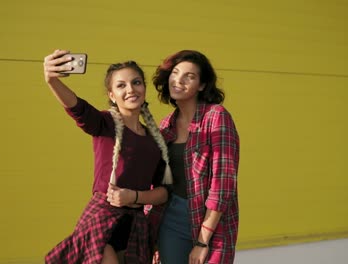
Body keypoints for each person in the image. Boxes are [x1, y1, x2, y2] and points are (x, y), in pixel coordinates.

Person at [42, 49, 172, 264]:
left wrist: (134, 197)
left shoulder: (155, 140)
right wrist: (51, 80)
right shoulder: (104, 124)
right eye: (121, 85)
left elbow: (164, 193)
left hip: (135, 227)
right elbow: (76, 107)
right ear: (111, 95)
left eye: (136, 82)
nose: (130, 89)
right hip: (101, 220)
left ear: (144, 88)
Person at [152, 50, 240, 264]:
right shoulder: (165, 125)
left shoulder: (217, 117)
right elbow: (158, 181)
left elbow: (223, 184)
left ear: (201, 85)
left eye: (189, 76)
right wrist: (153, 237)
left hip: (211, 221)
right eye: (175, 73)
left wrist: (202, 241)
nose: (178, 80)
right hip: (171, 218)